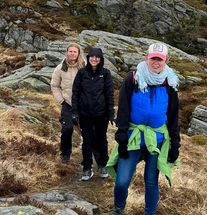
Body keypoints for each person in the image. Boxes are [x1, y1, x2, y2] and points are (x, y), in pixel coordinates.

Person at [106, 43, 181, 215]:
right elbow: (123, 108)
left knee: (151, 181)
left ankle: (150, 213)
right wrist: (121, 136)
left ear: (166, 61)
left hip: (157, 139)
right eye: (153, 58)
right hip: (133, 136)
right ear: (146, 58)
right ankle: (118, 209)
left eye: (160, 59)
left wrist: (175, 145)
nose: (156, 62)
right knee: (122, 181)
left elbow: (173, 116)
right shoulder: (133, 78)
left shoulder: (170, 83)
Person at [71, 47, 115, 181]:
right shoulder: (82, 73)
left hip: (102, 114)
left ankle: (103, 165)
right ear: (88, 58)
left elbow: (109, 95)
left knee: (102, 141)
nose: (94, 59)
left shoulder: (106, 73)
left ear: (100, 59)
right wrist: (74, 112)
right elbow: (75, 93)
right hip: (85, 114)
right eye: (92, 57)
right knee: (87, 141)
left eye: (97, 57)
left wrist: (111, 113)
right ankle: (87, 168)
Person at [50, 43, 86, 164]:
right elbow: (54, 85)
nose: (72, 54)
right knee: (66, 130)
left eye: (75, 52)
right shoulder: (60, 68)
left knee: (88, 131)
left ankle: (90, 157)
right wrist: (61, 100)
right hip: (68, 104)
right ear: (66, 52)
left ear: (78, 53)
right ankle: (65, 155)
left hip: (83, 105)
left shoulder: (85, 67)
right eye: (70, 51)